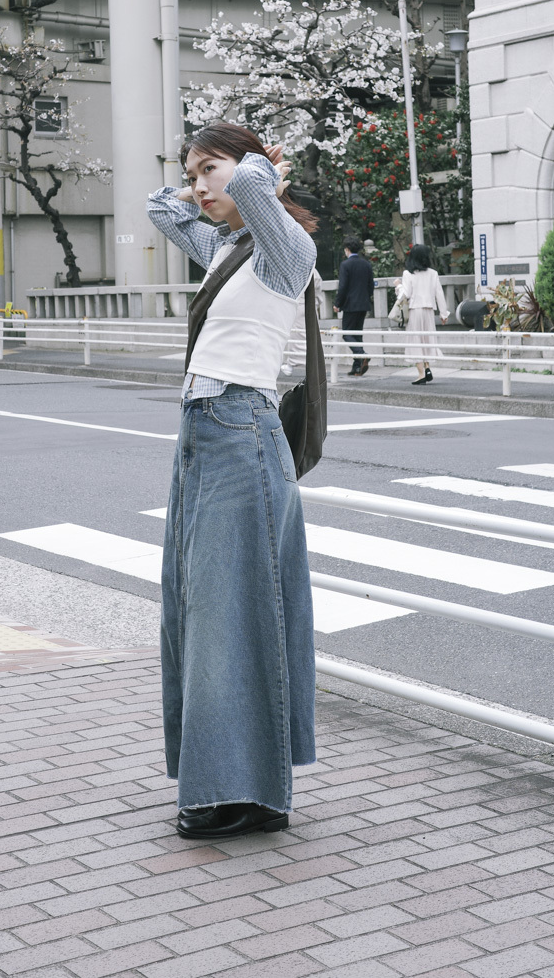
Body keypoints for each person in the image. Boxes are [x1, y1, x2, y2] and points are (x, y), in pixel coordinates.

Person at [146, 121, 318, 840]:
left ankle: (235, 791)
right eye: (193, 172)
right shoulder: (227, 249)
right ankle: (241, 784)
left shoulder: (286, 250)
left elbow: (247, 185)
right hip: (204, 432)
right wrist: (202, 184)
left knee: (230, 611)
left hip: (241, 426)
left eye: (207, 169)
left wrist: (255, 172)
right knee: (195, 606)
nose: (197, 186)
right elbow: (159, 208)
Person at [398, 243, 448, 384]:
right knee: (427, 340)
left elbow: (406, 294)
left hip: (415, 310)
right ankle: (427, 368)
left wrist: (398, 286)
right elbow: (439, 294)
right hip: (429, 310)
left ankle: (421, 374)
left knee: (416, 341)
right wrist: (443, 314)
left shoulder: (408, 273)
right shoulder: (433, 273)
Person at [334, 236, 376, 377]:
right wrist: (366, 298)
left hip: (350, 305)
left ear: (347, 249)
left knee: (347, 334)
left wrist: (337, 303)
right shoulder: (366, 264)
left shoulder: (345, 265)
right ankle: (357, 366)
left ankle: (362, 355)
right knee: (357, 335)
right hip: (363, 304)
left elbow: (343, 287)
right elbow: (370, 285)